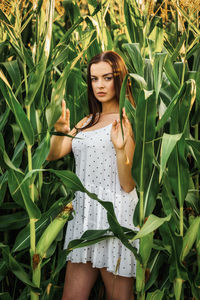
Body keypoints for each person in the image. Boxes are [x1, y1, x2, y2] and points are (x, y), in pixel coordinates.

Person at [46, 51, 139, 300]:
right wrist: (60, 131)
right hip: (84, 216)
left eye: (107, 78)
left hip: (115, 217)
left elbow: (128, 185)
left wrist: (120, 149)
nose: (99, 85)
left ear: (119, 79)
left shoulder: (126, 121)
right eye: (94, 79)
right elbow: (54, 154)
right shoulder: (87, 121)